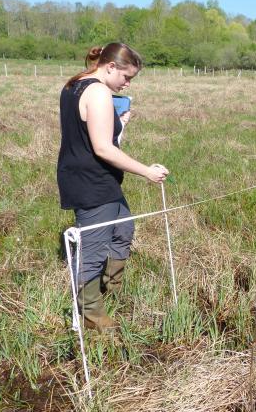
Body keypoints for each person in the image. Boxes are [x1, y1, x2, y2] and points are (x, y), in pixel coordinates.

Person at [57, 43, 169, 333]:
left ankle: (113, 286)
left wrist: (118, 123)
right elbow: (103, 148)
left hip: (98, 178)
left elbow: (91, 134)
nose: (127, 83)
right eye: (126, 77)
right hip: (90, 183)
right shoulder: (97, 93)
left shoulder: (75, 84)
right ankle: (91, 315)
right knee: (92, 252)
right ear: (110, 67)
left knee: (123, 230)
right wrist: (147, 171)